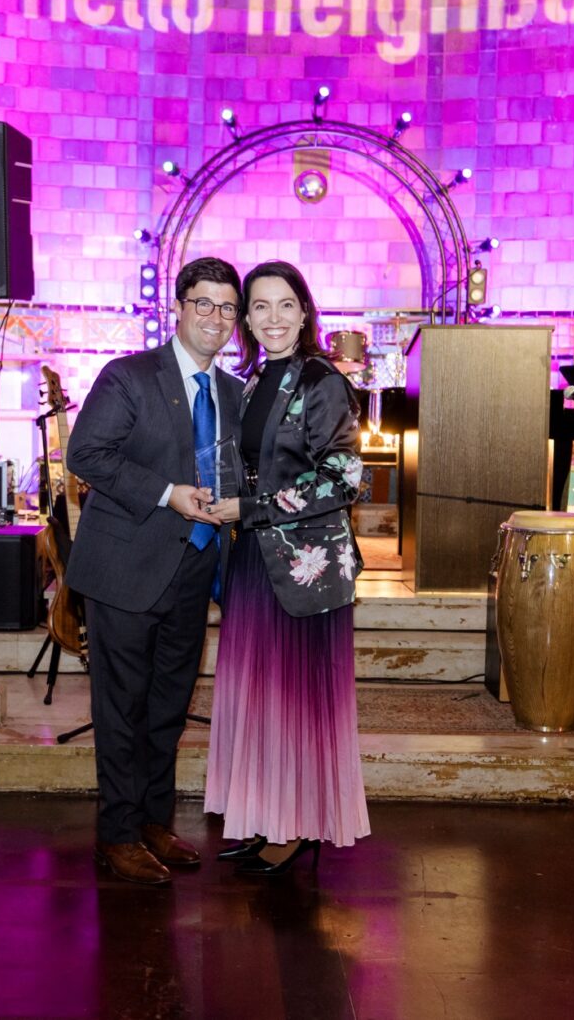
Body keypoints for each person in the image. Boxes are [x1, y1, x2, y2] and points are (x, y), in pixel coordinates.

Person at [65, 256, 243, 885]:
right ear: (178, 307)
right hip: (124, 569)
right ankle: (115, 834)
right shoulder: (130, 376)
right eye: (204, 304)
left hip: (195, 566)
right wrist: (168, 492)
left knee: (167, 707)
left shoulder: (231, 391)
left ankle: (152, 824)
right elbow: (85, 452)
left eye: (227, 308)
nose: (216, 318)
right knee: (122, 708)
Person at [204, 260, 371, 873]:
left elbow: (346, 477)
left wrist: (251, 507)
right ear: (246, 319)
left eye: (284, 305)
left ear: (305, 312)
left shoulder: (322, 380)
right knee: (259, 697)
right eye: (260, 307)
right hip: (253, 560)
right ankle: (264, 816)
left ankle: (298, 826)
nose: (272, 318)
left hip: (306, 568)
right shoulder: (250, 383)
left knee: (298, 702)